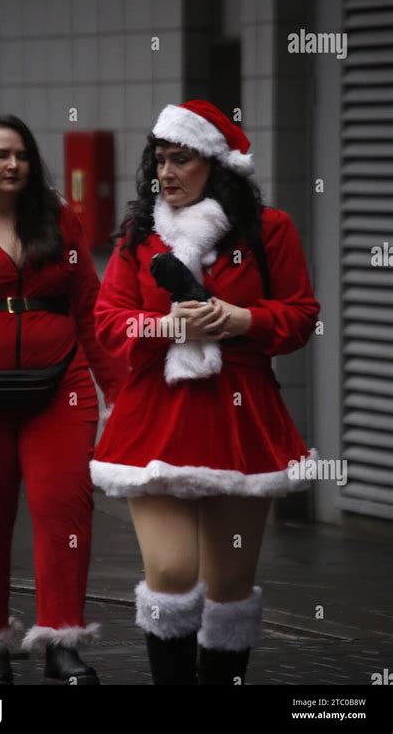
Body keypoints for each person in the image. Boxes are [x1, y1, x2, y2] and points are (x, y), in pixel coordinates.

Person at [90, 100, 321, 685]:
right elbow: (108, 320)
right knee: (170, 573)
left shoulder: (271, 230)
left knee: (230, 589)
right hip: (156, 417)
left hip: (241, 417)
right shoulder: (139, 234)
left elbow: (301, 315)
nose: (165, 173)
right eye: (160, 160)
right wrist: (168, 326)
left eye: (181, 159)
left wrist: (243, 319)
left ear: (216, 166)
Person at [0, 115, 125, 685]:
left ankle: (62, 643)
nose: (13, 165)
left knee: (64, 508)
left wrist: (125, 394)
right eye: (0, 154)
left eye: (22, 155)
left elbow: (90, 307)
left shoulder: (60, 222)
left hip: (61, 388)